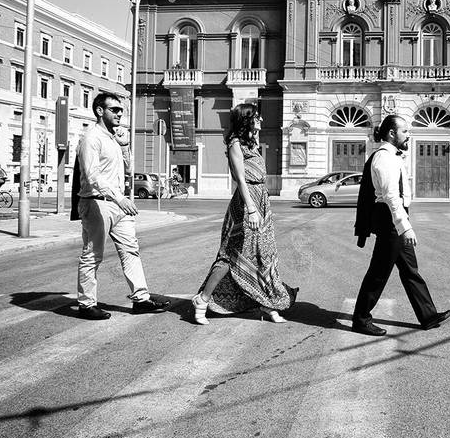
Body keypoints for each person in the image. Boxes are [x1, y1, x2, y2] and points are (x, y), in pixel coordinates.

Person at [191, 103, 297, 325]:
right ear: (246, 120)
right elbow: (240, 179)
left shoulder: (253, 143)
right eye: (256, 117)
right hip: (246, 203)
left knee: (264, 254)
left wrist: (261, 208)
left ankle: (267, 303)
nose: (260, 120)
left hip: (262, 201)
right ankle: (202, 300)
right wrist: (251, 209)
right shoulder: (235, 144)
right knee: (230, 255)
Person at [351, 114, 450, 336]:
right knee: (378, 273)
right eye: (404, 131)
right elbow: (391, 197)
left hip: (394, 219)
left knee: (410, 270)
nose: (408, 135)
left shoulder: (393, 157)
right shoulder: (384, 158)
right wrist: (405, 227)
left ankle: (428, 315)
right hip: (390, 220)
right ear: (392, 133)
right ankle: (360, 318)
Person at [75, 92, 170, 320]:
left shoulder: (112, 138)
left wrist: (125, 145)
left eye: (120, 110)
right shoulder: (91, 138)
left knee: (131, 251)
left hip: (118, 206)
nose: (119, 113)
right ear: (100, 111)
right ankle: (86, 304)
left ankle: (141, 299)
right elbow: (92, 176)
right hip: (97, 204)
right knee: (92, 255)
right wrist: (119, 199)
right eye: (114, 109)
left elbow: (128, 168)